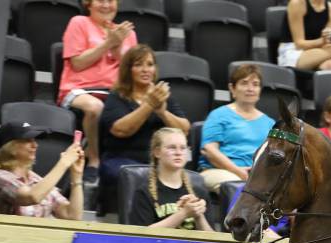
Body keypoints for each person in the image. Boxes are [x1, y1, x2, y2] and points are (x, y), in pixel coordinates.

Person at [58, 0, 137, 183]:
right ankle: (93, 159)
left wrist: (117, 48)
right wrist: (108, 43)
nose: (106, 5)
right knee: (95, 107)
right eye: (101, 0)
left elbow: (131, 72)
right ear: (89, 4)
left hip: (114, 92)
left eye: (111, 1)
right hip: (79, 89)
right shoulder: (79, 22)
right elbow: (77, 64)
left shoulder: (127, 33)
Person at [99, 45, 190, 201]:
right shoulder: (117, 96)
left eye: (150, 64)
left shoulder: (162, 96)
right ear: (128, 70)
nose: (145, 70)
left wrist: (162, 113)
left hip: (159, 161)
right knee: (142, 177)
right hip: (121, 159)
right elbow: (120, 130)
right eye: (138, 65)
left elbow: (184, 130)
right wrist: (149, 105)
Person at [198, 64, 274, 192]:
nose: (250, 89)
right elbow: (210, 151)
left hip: (256, 175)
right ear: (232, 88)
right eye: (244, 83)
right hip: (220, 171)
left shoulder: (270, 123)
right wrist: (238, 171)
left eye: (255, 84)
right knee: (241, 189)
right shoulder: (218, 115)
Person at [0, 121, 85, 219]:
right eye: (27, 140)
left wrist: (76, 175)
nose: (35, 145)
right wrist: (64, 162)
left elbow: (72, 215)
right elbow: (32, 197)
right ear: (10, 147)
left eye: (34, 140)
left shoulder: (36, 179)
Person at [129, 127, 213, 231]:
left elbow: (213, 238)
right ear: (157, 152)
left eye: (183, 148)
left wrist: (198, 215)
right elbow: (141, 235)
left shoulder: (199, 193)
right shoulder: (144, 193)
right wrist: (183, 213)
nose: (178, 152)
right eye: (172, 147)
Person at [278, 0, 331, 71]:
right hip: (293, 51)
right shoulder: (298, 3)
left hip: (316, 50)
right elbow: (299, 44)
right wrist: (322, 41)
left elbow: (325, 42)